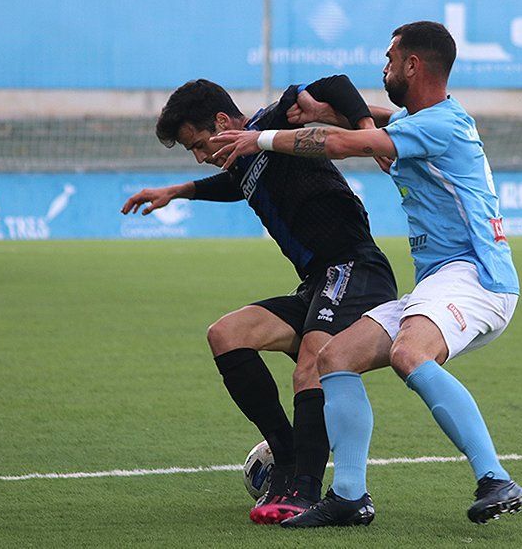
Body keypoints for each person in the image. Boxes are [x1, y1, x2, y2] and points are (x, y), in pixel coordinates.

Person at [210, 21, 522, 527]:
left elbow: (344, 145)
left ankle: (494, 478)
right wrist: (328, 112)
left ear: (413, 65)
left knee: (408, 352)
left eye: (389, 58)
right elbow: (375, 123)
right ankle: (350, 498)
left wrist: (262, 139)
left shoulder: (439, 125)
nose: (383, 67)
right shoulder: (424, 121)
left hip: (477, 276)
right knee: (335, 357)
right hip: (440, 281)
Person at [120, 76, 397, 523]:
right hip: (317, 281)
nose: (200, 155)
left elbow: (336, 84)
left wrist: (368, 131)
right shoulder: (244, 161)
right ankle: (285, 456)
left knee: (312, 357)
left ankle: (305, 491)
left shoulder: (273, 121)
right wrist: (177, 190)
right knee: (227, 334)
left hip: (355, 268)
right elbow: (237, 183)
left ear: (224, 120)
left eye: (199, 143)